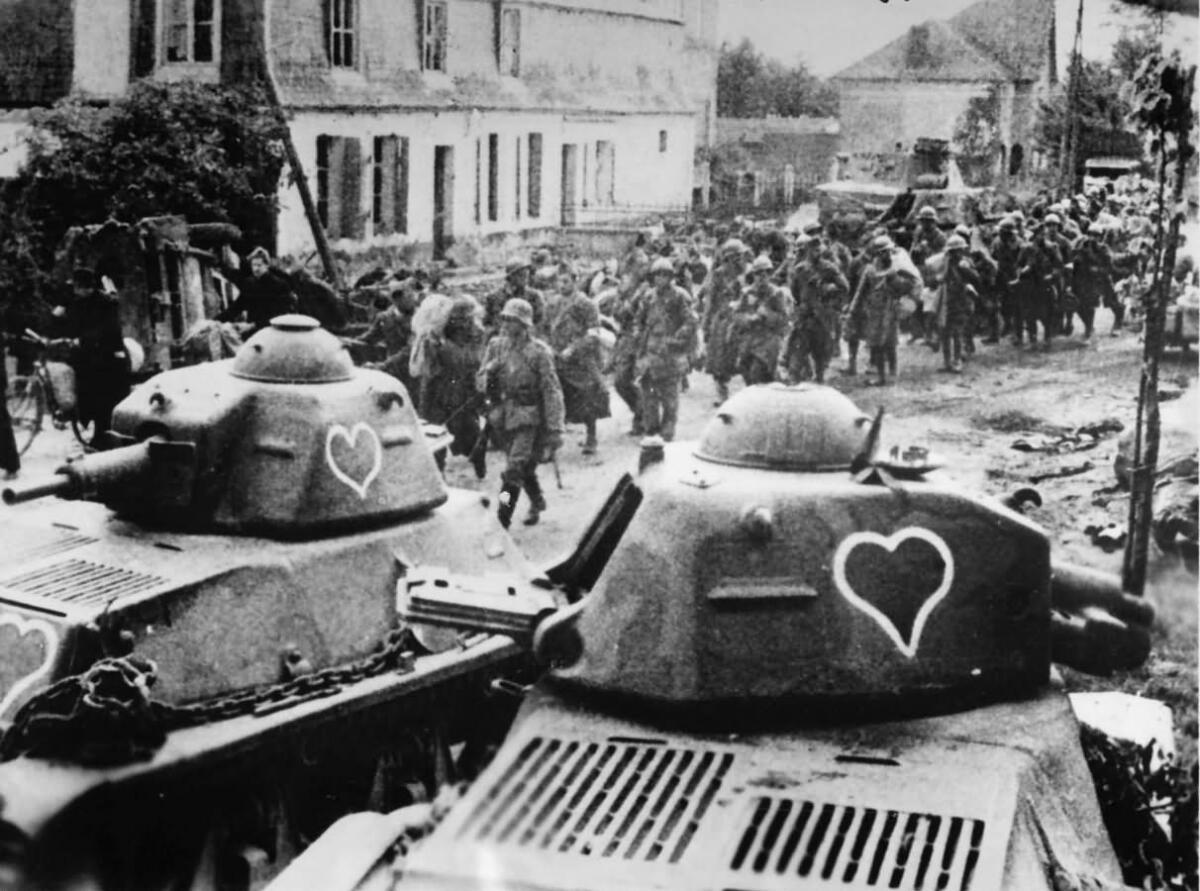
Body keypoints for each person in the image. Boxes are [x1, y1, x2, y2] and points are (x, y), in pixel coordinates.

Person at [477, 298, 565, 528]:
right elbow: (479, 382)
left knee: (513, 469)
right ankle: (537, 501)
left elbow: (551, 390)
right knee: (522, 468)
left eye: (511, 320)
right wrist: (489, 372)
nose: (505, 324)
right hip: (502, 417)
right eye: (504, 318)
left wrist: (555, 428)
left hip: (529, 418)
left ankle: (502, 516)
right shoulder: (496, 346)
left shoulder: (538, 352)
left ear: (524, 324)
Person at [415, 295, 487, 477]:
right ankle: (437, 473)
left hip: (461, 389)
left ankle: (478, 461)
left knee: (468, 431)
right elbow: (427, 367)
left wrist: (442, 347)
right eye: (458, 318)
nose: (461, 323)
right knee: (433, 432)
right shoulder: (438, 334)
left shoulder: (476, 334)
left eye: (465, 318)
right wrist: (432, 345)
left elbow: (469, 360)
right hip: (436, 390)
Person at [63, 267, 131, 446]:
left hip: (107, 359)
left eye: (77, 286)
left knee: (104, 399)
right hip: (88, 359)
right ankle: (94, 431)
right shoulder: (78, 303)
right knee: (88, 396)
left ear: (85, 287)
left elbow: (108, 330)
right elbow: (72, 325)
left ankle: (102, 437)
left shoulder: (105, 303)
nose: (75, 290)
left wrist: (83, 340)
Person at [633, 257, 698, 441]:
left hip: (670, 353)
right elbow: (639, 319)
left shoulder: (680, 296)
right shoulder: (648, 297)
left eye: (664, 275)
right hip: (650, 353)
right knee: (649, 398)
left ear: (670, 277)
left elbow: (691, 321)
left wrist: (676, 339)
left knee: (670, 399)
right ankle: (652, 432)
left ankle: (667, 434)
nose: (660, 279)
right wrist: (638, 334)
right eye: (657, 275)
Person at [548, 267, 610, 455]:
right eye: (559, 281)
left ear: (575, 282)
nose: (562, 285)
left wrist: (573, 349)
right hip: (558, 358)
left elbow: (593, 333)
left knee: (587, 398)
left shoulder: (585, 303)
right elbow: (545, 327)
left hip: (582, 359)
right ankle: (551, 442)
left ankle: (591, 437)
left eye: (566, 281)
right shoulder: (554, 303)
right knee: (555, 399)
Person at [845, 236, 915, 387]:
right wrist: (852, 311)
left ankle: (893, 373)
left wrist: (903, 281)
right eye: (884, 252)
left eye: (889, 251)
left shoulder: (894, 270)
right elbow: (860, 292)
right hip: (874, 312)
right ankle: (882, 376)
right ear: (878, 254)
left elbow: (903, 288)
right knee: (877, 345)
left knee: (891, 342)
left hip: (890, 310)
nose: (888, 255)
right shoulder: (869, 270)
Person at [787, 234, 849, 383]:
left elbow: (844, 287)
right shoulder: (800, 269)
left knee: (821, 352)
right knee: (798, 351)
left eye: (818, 249)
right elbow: (794, 290)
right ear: (807, 250)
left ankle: (820, 379)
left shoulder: (828, 268)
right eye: (814, 250)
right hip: (805, 316)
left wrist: (828, 289)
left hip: (822, 316)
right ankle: (795, 381)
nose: (817, 253)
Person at [699, 239, 747, 405]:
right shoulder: (718, 275)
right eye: (738, 257)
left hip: (742, 319)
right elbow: (711, 301)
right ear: (730, 258)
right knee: (719, 360)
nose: (741, 260)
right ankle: (722, 394)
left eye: (742, 256)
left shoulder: (746, 275)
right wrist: (706, 324)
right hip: (722, 320)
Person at [732, 255, 792, 385]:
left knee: (758, 372)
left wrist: (767, 314)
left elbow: (784, 319)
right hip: (749, 339)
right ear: (754, 275)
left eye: (766, 273)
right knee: (745, 370)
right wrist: (748, 319)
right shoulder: (747, 293)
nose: (762, 276)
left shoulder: (776, 294)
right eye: (759, 273)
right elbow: (737, 315)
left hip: (768, 340)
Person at [216, 246, 297, 335]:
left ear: (267, 265)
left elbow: (280, 314)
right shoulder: (249, 284)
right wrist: (215, 321)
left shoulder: (279, 285)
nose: (255, 269)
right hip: (252, 332)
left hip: (272, 332)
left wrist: (254, 325)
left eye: (259, 265)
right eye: (253, 265)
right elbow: (236, 308)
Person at [936, 235, 981, 373]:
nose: (955, 253)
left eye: (958, 250)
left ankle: (957, 360)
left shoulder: (965, 263)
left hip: (961, 300)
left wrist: (965, 270)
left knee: (957, 332)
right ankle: (947, 361)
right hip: (946, 300)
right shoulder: (945, 262)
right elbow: (937, 276)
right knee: (944, 332)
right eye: (953, 251)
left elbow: (976, 278)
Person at [484, 258, 546, 339]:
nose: (525, 277)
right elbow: (488, 323)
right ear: (510, 277)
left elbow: (540, 323)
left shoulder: (534, 296)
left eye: (526, 274)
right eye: (521, 274)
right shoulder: (494, 297)